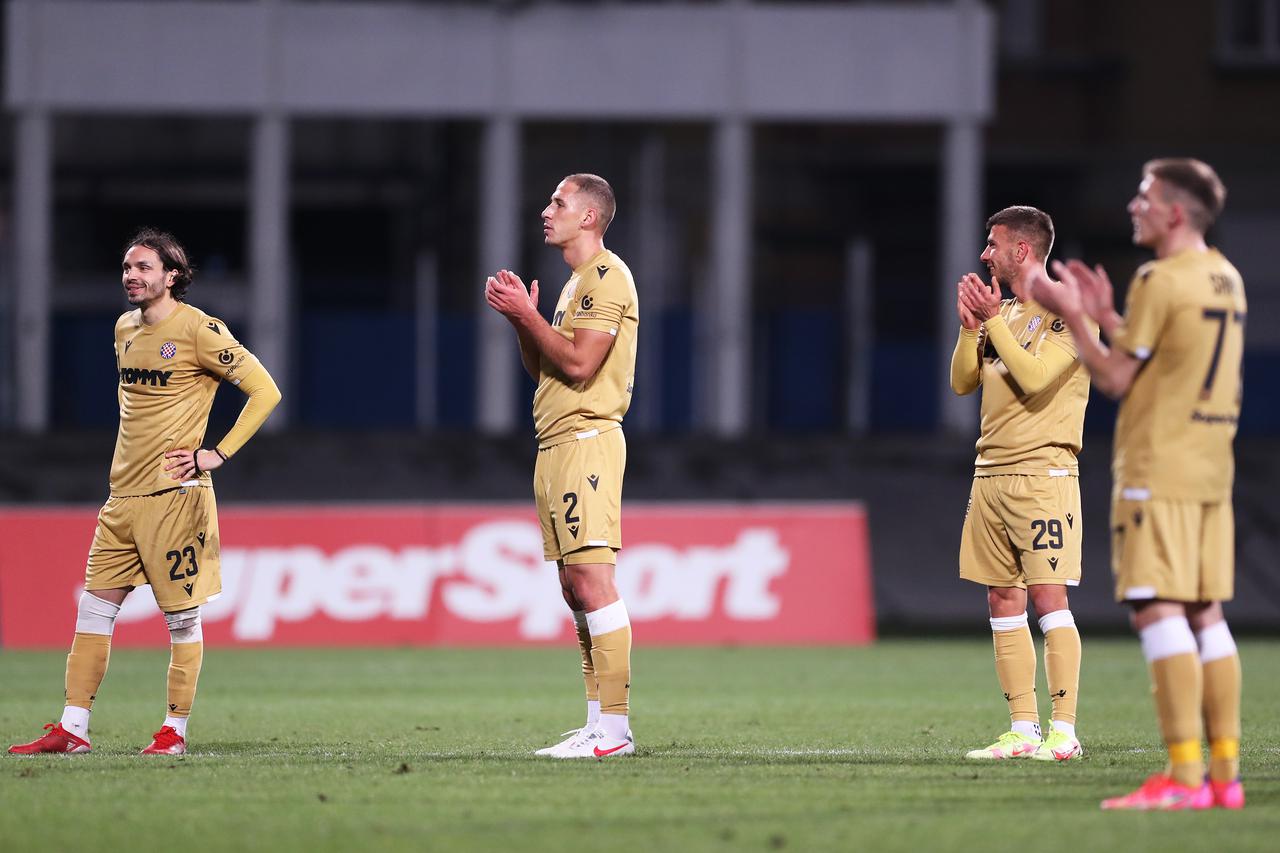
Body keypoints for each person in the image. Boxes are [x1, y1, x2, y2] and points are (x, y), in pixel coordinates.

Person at [9, 228, 282, 757]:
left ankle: (173, 732)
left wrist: (214, 455)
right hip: (121, 498)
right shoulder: (124, 329)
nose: (131, 276)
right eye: (127, 268)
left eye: (143, 268)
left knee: (180, 617)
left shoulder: (200, 330)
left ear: (171, 276)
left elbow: (265, 390)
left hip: (175, 497)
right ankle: (73, 730)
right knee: (92, 610)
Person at [1030, 159, 1246, 810]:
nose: (1134, 205)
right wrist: (1110, 317)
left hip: (1159, 466)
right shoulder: (1224, 276)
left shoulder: (1159, 277)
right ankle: (1223, 777)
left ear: (1175, 213)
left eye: (1146, 197)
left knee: (1157, 608)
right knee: (1206, 611)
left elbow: (1118, 378)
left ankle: (1182, 778)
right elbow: (1165, 355)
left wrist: (1073, 315)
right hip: (1211, 466)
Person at [485, 174, 639, 759]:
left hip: (587, 442)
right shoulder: (574, 284)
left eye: (559, 202)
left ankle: (616, 732)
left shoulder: (607, 277)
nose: (547, 211)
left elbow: (578, 365)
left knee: (595, 583)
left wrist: (529, 314)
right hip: (554, 444)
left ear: (589, 218)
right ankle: (597, 721)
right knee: (574, 588)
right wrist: (522, 319)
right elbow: (547, 369)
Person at [950, 206, 1090, 762]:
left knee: (1048, 596)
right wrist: (970, 330)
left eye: (993, 244)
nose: (985, 253)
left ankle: (1064, 731)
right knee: (1002, 598)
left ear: (1023, 251)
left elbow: (1033, 380)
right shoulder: (999, 311)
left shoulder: (1069, 312)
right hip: (990, 473)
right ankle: (1022, 729)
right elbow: (963, 383)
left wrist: (995, 324)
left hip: (1043, 474)